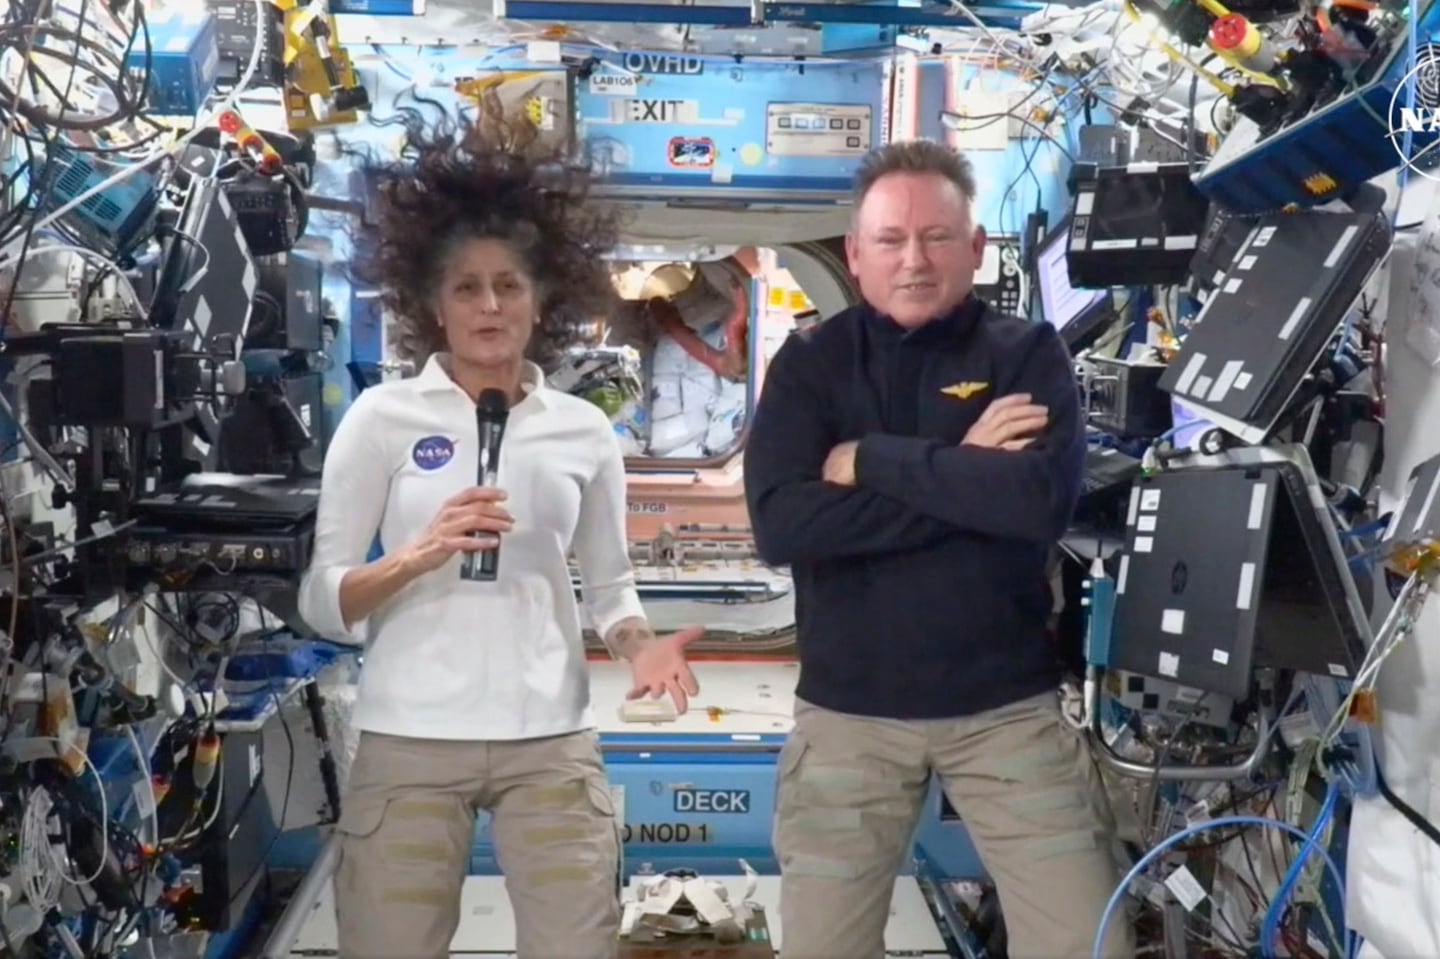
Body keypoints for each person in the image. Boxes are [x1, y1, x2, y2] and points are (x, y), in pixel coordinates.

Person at [297, 108, 703, 959]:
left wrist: (639, 646)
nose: (489, 304)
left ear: (541, 298)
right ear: (432, 304)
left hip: (548, 739)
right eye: (467, 287)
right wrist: (418, 553)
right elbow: (323, 601)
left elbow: (611, 585)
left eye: (509, 285)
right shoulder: (380, 418)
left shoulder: (583, 431)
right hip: (408, 737)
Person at [743, 140, 1132, 959]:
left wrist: (871, 460)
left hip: (1007, 714)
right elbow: (784, 525)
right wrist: (965, 475)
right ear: (855, 253)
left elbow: (1034, 502)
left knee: (1087, 943)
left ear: (976, 246)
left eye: (936, 237)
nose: (913, 260)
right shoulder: (812, 365)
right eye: (889, 240)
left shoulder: (1025, 353)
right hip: (849, 715)